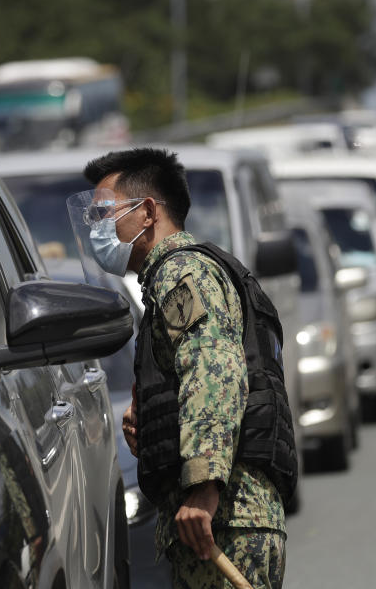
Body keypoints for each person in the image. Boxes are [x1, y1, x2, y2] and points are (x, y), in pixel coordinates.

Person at [79, 148, 292, 589]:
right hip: (219, 521)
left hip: (226, 517)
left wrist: (204, 484)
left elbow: (213, 369)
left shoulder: (183, 273)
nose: (95, 229)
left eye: (104, 214)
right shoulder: (167, 281)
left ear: (148, 213)